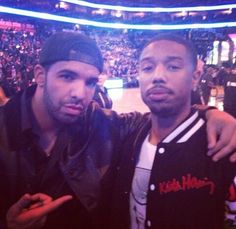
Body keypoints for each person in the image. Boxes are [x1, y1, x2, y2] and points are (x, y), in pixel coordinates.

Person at [1, 31, 236, 229]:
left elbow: (162, 117)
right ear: (40, 75)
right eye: (67, 76)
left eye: (90, 82)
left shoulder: (103, 124)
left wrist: (209, 114)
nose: (79, 93)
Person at [109, 34, 236, 229]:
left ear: (195, 78)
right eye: (147, 68)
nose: (157, 76)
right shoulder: (128, 133)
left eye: (173, 66)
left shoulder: (224, 145)